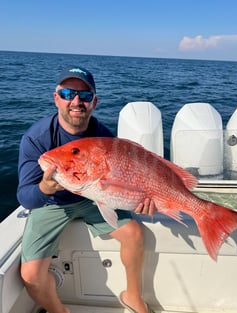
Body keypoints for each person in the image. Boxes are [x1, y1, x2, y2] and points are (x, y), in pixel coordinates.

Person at [17, 66, 156, 313]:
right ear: (56, 98)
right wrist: (45, 187)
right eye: (69, 93)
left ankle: (133, 296)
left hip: (94, 196)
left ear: (95, 102)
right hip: (53, 203)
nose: (77, 101)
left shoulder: (102, 136)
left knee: (134, 234)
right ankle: (60, 310)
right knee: (30, 274)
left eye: (85, 95)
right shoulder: (36, 138)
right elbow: (25, 197)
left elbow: (120, 181)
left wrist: (142, 198)